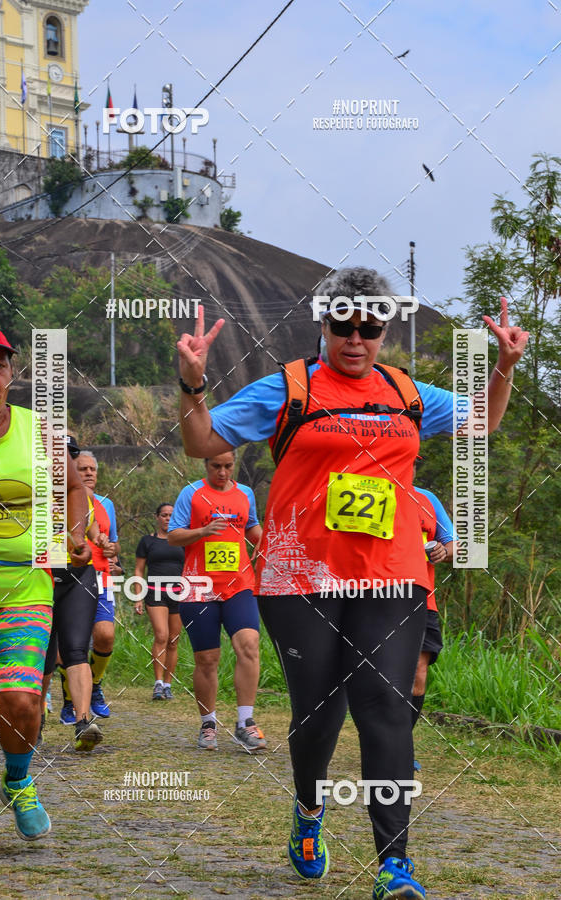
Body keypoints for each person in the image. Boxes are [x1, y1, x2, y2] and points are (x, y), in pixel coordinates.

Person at [175, 272, 528, 899]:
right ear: (325, 325)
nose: (357, 339)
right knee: (319, 713)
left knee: (385, 708)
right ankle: (309, 813)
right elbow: (201, 439)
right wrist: (193, 382)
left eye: (370, 328)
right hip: (300, 574)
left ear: (384, 330)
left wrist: (502, 363)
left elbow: (485, 422)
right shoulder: (290, 386)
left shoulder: (404, 391)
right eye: (345, 327)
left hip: (393, 576)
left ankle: (395, 865)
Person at [0, 330, 90, 862]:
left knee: (18, 701)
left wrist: (75, 536)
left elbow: (76, 489)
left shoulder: (40, 433)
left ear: (12, 374)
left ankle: (17, 780)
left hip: (25, 589)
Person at [167, 453, 266, 751]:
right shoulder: (191, 493)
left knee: (249, 644)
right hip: (199, 587)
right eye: (216, 466)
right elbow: (173, 536)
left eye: (228, 466)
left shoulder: (245, 494)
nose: (222, 472)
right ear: (206, 465)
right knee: (207, 660)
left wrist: (264, 543)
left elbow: (251, 528)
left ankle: (245, 723)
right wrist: (202, 531)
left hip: (239, 584)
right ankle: (208, 723)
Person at [40, 434, 106, 752]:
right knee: (43, 656)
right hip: (39, 576)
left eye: (70, 454)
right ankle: (33, 718)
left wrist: (102, 543)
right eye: (59, 453)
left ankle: (83, 723)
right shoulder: (32, 489)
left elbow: (94, 534)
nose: (64, 459)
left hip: (78, 575)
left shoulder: (83, 496)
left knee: (77, 651)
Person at [410, 465, 457, 757]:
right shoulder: (369, 490)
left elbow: (453, 545)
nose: (409, 466)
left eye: (415, 461)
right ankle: (382, 740)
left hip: (422, 598)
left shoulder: (427, 499)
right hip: (376, 597)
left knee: (418, 672)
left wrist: (443, 550)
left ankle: (400, 743)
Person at [70, 451, 119, 719]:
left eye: (93, 469)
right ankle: (69, 699)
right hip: (70, 576)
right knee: (69, 643)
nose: (89, 473)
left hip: (101, 578)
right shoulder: (62, 500)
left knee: (105, 635)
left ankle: (96, 684)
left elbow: (112, 541)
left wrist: (111, 550)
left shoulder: (106, 504)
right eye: (83, 468)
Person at [133, 503, 184, 700]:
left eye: (171, 515)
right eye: (164, 515)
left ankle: (168, 685)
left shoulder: (182, 541)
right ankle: (158, 683)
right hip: (155, 592)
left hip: (179, 593)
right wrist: (137, 596)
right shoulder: (147, 541)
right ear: (157, 517)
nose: (167, 519)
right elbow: (139, 570)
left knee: (173, 640)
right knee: (161, 636)